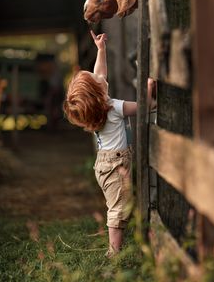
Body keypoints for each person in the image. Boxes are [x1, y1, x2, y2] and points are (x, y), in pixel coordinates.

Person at [63, 30, 155, 257]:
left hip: (104, 164)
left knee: (119, 203)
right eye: (98, 82)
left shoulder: (98, 111)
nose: (101, 78)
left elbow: (99, 74)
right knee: (117, 209)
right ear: (99, 94)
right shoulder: (114, 107)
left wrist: (101, 50)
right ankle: (114, 252)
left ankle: (119, 244)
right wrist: (150, 89)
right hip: (115, 166)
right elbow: (146, 106)